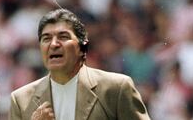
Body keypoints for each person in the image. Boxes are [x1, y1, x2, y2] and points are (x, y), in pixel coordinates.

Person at [9, 8, 150, 120]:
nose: (53, 44)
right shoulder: (21, 100)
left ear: (82, 47)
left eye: (63, 37)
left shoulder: (116, 88)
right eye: (46, 38)